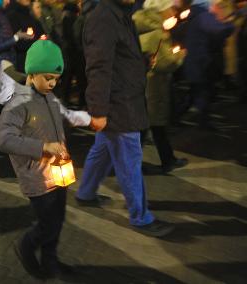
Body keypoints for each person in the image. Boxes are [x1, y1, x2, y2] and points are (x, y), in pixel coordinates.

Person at [75, 0, 175, 237]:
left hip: (122, 99)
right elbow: (98, 66)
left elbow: (119, 57)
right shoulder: (103, 17)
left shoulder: (118, 13)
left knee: (102, 151)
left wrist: (141, 62)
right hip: (118, 105)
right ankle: (141, 217)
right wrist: (98, 110)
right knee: (129, 160)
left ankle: (86, 193)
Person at [0, 39, 91, 279]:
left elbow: (63, 117)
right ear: (32, 72)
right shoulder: (18, 103)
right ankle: (26, 246)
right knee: (47, 223)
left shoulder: (49, 97)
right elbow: (4, 139)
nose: (52, 83)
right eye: (48, 77)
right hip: (37, 177)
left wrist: (88, 120)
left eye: (56, 79)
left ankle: (51, 262)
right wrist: (43, 147)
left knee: (57, 221)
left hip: (58, 173)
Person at [133, 0, 188, 173]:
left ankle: (167, 159)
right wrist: (179, 55)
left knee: (149, 125)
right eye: (170, 9)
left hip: (141, 82)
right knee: (151, 124)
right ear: (161, 11)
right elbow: (164, 63)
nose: (173, 12)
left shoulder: (139, 27)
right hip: (154, 84)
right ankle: (135, 164)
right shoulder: (158, 33)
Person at [0, 0, 32, 153]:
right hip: (0, 69)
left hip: (6, 67)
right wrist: (16, 38)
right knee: (4, 106)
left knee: (5, 105)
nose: (8, 1)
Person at [181, 0, 234, 129]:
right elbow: (218, 30)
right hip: (202, 61)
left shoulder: (195, 15)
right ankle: (203, 121)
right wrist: (230, 24)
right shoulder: (204, 16)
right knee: (203, 91)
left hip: (196, 60)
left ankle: (176, 116)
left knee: (195, 92)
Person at [6, 0, 44, 72]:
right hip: (22, 62)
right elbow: (16, 42)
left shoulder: (26, 12)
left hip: (34, 59)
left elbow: (39, 32)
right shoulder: (12, 14)